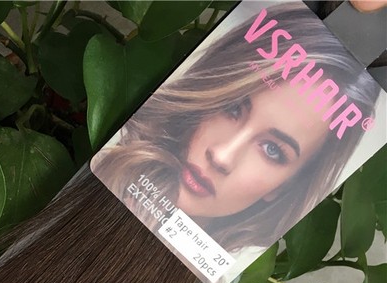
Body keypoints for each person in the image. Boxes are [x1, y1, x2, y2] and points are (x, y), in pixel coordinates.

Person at [91, 2, 382, 252]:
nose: (221, 156)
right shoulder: (111, 167)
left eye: (272, 150)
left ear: (285, 187)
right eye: (232, 108)